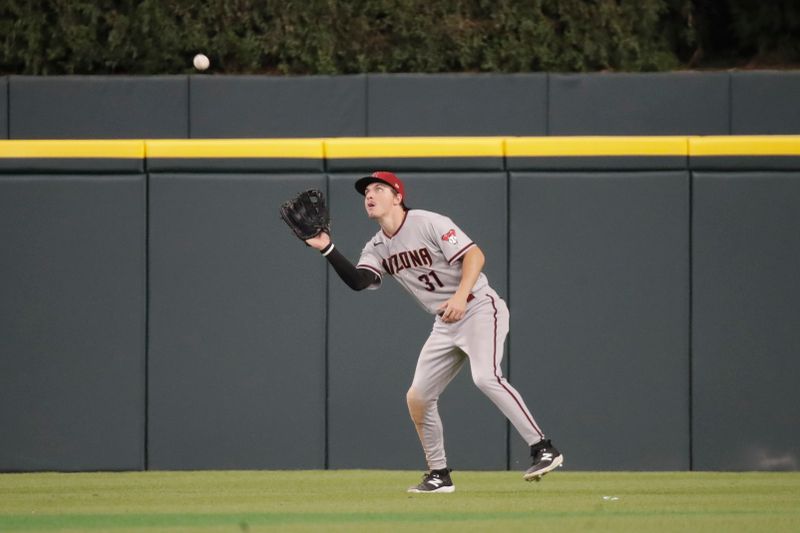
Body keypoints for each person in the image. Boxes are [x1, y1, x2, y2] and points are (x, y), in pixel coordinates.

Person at [304, 171, 563, 493]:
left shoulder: (427, 222)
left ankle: (543, 447)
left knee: (485, 376)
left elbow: (474, 254)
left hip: (478, 306)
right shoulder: (376, 247)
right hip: (445, 322)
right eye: (366, 191)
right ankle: (439, 474)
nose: (369, 195)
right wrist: (327, 248)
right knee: (419, 397)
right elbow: (360, 281)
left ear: (398, 196)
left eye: (378, 189)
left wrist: (459, 295)